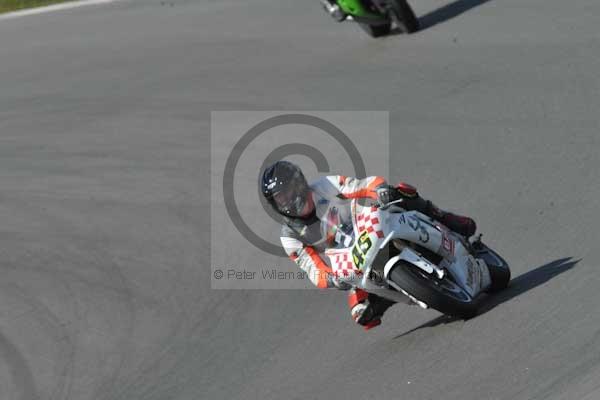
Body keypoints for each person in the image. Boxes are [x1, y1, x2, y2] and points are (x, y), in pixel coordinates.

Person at [261, 161, 477, 330]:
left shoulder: (324, 186)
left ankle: (446, 219)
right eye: (282, 198)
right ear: (276, 206)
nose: (290, 199)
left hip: (366, 224)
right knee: (362, 314)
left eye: (291, 190)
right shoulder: (289, 236)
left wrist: (379, 190)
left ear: (300, 182)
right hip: (349, 258)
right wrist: (331, 278)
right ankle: (401, 292)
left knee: (401, 191)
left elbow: (361, 185)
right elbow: (313, 270)